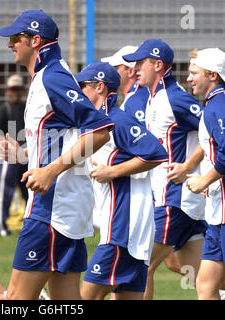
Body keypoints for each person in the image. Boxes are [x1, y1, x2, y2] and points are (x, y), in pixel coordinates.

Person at [0, 10, 114, 300]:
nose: (10, 45)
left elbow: (100, 131)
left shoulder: (53, 77)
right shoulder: (45, 78)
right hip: (64, 208)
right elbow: (61, 140)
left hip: (51, 211)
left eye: (15, 38)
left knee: (16, 300)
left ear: (35, 40)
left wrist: (50, 171)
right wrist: (23, 154)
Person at [74, 62, 168, 300]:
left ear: (100, 87)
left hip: (123, 231)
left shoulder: (117, 120)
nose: (78, 92)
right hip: (130, 232)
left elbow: (156, 152)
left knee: (84, 298)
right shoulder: (97, 123)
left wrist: (112, 172)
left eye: (83, 86)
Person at [123, 39, 207, 299]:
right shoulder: (152, 98)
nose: (135, 69)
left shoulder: (174, 98)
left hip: (174, 200)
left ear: (158, 65)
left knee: (139, 264)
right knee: (204, 278)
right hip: (178, 201)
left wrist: (189, 165)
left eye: (140, 63)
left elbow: (214, 130)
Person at [186, 48, 225, 299]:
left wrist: (205, 180)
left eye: (193, 73)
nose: (189, 78)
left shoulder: (217, 107)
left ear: (212, 75)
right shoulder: (213, 105)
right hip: (216, 212)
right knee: (205, 286)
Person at [0, 74, 28, 236]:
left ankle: (30, 224)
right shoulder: (5, 109)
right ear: (8, 91)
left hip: (26, 155)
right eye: (13, 89)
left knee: (29, 190)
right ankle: (2, 225)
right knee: (6, 191)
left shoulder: (27, 109)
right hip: (10, 156)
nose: (16, 92)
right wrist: (6, 144)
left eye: (18, 89)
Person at [101, 45, 149, 124]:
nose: (111, 73)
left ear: (130, 71)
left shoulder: (136, 100)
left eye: (115, 68)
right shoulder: (137, 96)